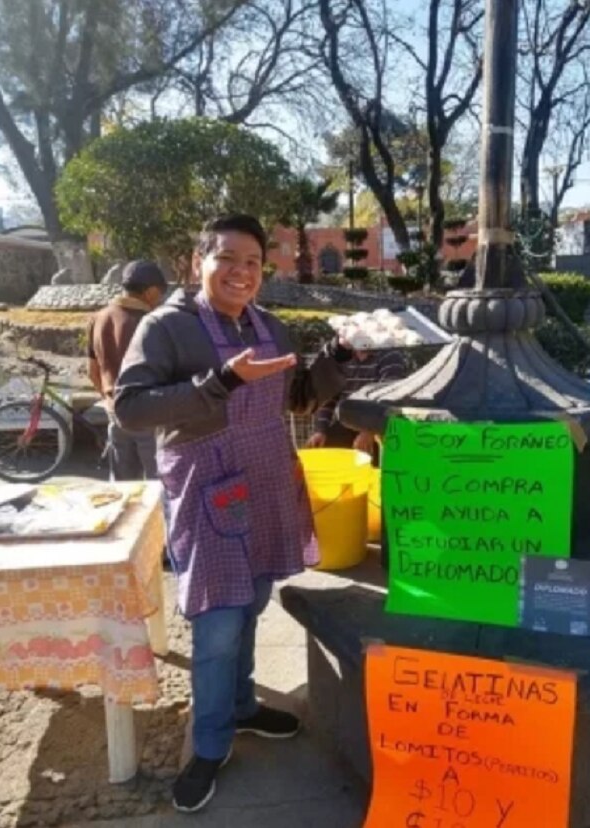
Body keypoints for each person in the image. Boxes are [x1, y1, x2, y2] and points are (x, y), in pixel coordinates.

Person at [113, 214, 350, 813]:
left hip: (268, 483)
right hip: (206, 487)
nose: (242, 273)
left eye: (253, 263)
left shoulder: (269, 327)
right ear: (198, 263)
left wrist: (337, 356)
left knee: (254, 600)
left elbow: (295, 397)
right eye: (228, 259)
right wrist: (218, 381)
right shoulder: (169, 327)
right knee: (217, 622)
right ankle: (211, 743)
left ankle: (243, 707)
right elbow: (131, 408)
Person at [87, 260, 167, 480]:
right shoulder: (151, 322)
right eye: (159, 294)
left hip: (116, 412)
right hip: (148, 416)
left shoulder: (98, 317)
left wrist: (108, 401)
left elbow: (92, 371)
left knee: (123, 490)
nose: (160, 300)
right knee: (158, 490)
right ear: (150, 292)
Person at [306, 346, 410, 457]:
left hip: (380, 425)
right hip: (347, 422)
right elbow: (330, 397)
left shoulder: (390, 356)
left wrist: (370, 430)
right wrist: (321, 430)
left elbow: (390, 397)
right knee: (324, 451)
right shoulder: (341, 356)